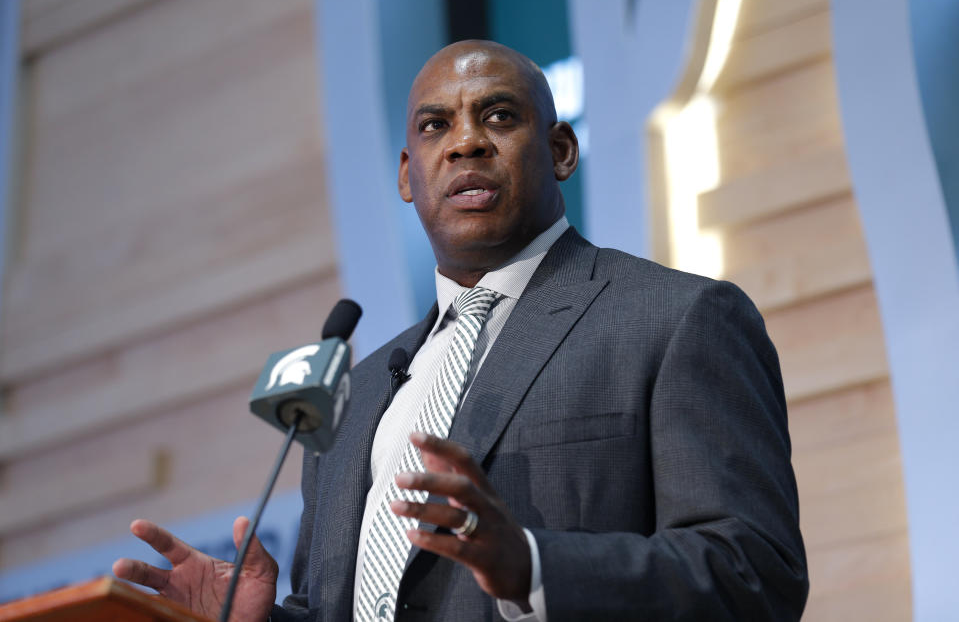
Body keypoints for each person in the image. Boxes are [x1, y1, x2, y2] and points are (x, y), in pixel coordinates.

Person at [114, 40, 808, 621]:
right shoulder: (352, 396)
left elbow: (754, 573)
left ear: (560, 150)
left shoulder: (675, 318)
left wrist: (530, 566)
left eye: (498, 116)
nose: (466, 142)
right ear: (406, 177)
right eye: (434, 126)